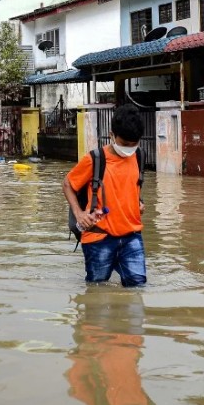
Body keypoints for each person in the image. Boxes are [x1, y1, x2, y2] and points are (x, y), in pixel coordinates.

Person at [62, 104, 146, 286]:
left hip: (132, 234)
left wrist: (138, 203)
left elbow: (131, 187)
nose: (129, 149)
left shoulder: (139, 156)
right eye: (124, 144)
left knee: (138, 286)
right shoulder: (95, 159)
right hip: (99, 237)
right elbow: (68, 183)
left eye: (134, 144)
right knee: (96, 290)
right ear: (112, 135)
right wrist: (79, 214)